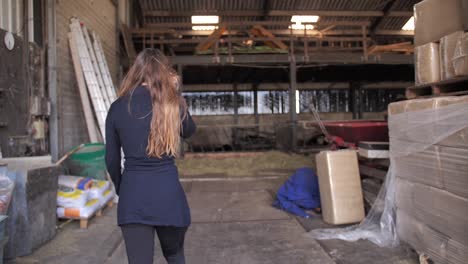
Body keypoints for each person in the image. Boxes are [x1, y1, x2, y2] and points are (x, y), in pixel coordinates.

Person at [105, 48, 196, 264]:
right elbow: (190, 131)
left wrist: (123, 189)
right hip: (168, 195)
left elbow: (111, 159)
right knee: (175, 256)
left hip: (133, 195)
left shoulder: (118, 107)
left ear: (136, 71)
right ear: (164, 72)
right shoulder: (171, 104)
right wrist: (176, 92)